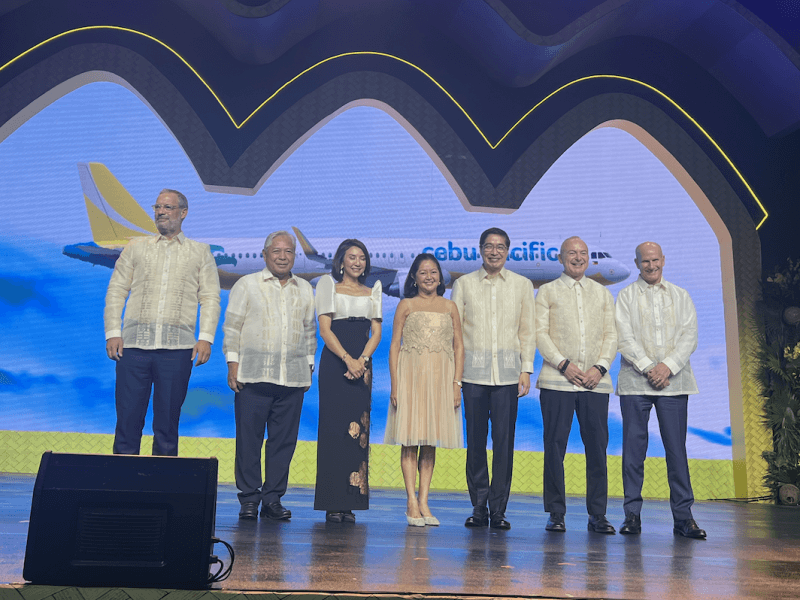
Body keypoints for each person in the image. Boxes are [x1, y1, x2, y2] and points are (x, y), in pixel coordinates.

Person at [104, 189, 221, 457]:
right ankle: (121, 490)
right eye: (157, 207)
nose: (161, 212)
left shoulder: (200, 252)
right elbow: (116, 291)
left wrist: (206, 338)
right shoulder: (136, 247)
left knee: (167, 426)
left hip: (177, 350)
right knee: (127, 422)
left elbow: (210, 298)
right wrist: (113, 331)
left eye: (167, 207)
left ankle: (160, 492)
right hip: (133, 347)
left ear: (183, 212)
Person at [223, 231, 316, 520]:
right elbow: (232, 327)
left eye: (288, 251)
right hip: (253, 376)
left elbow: (309, 330)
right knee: (248, 441)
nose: (282, 256)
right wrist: (232, 364)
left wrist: (309, 365)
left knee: (283, 443)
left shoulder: (304, 288)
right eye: (276, 251)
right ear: (265, 254)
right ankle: (249, 498)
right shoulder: (247, 284)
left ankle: (272, 498)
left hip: (293, 378)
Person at [615, 241, 706, 539]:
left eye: (655, 260)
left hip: (674, 382)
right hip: (635, 383)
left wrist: (666, 367)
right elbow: (624, 338)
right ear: (637, 263)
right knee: (633, 453)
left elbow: (689, 336)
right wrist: (647, 367)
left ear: (663, 260)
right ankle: (632, 515)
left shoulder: (681, 296)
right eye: (645, 262)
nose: (651, 266)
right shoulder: (626, 296)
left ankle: (683, 518)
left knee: (676, 452)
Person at [451, 227, 536, 530]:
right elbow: (455, 333)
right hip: (473, 375)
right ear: (480, 249)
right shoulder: (463, 285)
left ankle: (498, 509)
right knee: (475, 442)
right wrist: (455, 376)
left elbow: (527, 331)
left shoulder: (522, 285)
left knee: (504, 443)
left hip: (508, 377)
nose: (494, 251)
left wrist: (526, 369)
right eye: (489, 246)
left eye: (500, 247)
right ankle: (478, 506)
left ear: (508, 251)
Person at [535, 236, 617, 534]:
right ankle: (556, 513)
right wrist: (564, 365)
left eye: (583, 253)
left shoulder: (602, 293)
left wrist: (600, 367)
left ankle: (598, 514)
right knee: (554, 447)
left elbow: (612, 335)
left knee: (597, 448)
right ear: (560, 257)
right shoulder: (547, 292)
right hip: (557, 381)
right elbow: (540, 334)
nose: (578, 258)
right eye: (572, 253)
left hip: (595, 383)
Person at [385, 253, 465, 526]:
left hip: (440, 379)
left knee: (430, 441)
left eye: (433, 272)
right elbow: (394, 346)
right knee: (410, 440)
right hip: (411, 377)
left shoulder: (450, 306)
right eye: (423, 272)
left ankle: (424, 501)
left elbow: (459, 347)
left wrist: (457, 384)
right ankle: (410, 501)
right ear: (414, 278)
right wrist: (395, 385)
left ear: (440, 277)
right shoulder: (406, 305)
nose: (429, 277)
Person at [314, 239, 382, 523]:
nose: (357, 262)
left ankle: (351, 502)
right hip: (335, 362)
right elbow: (325, 330)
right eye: (351, 257)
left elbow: (376, 333)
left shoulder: (373, 291)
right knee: (333, 430)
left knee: (357, 435)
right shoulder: (328, 286)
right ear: (341, 261)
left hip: (362, 365)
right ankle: (332, 501)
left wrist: (362, 362)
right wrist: (347, 359)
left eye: (362, 257)